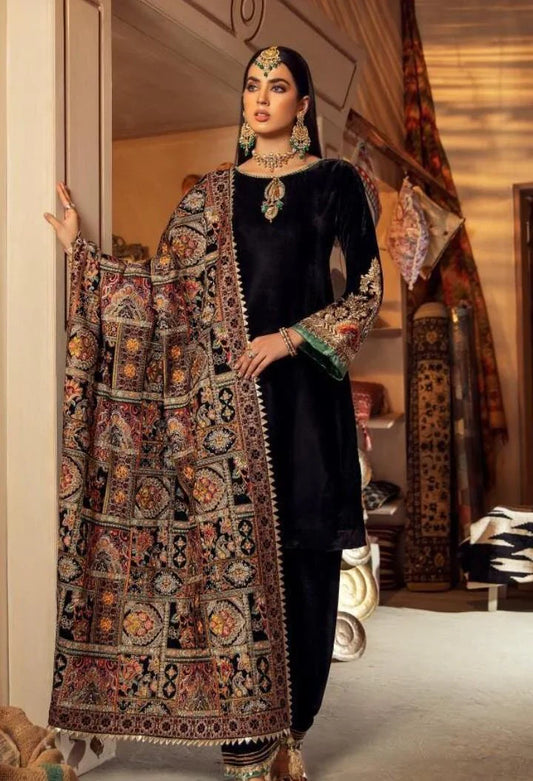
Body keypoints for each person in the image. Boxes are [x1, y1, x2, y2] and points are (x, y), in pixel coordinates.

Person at [44, 45, 382, 781]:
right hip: (224, 413)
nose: (261, 98)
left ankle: (293, 724)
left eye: (279, 86)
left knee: (307, 559)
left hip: (302, 397)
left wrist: (290, 339)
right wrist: (84, 257)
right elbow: (166, 290)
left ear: (302, 105)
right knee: (230, 563)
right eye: (252, 85)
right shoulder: (208, 196)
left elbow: (365, 290)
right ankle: (250, 734)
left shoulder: (335, 183)